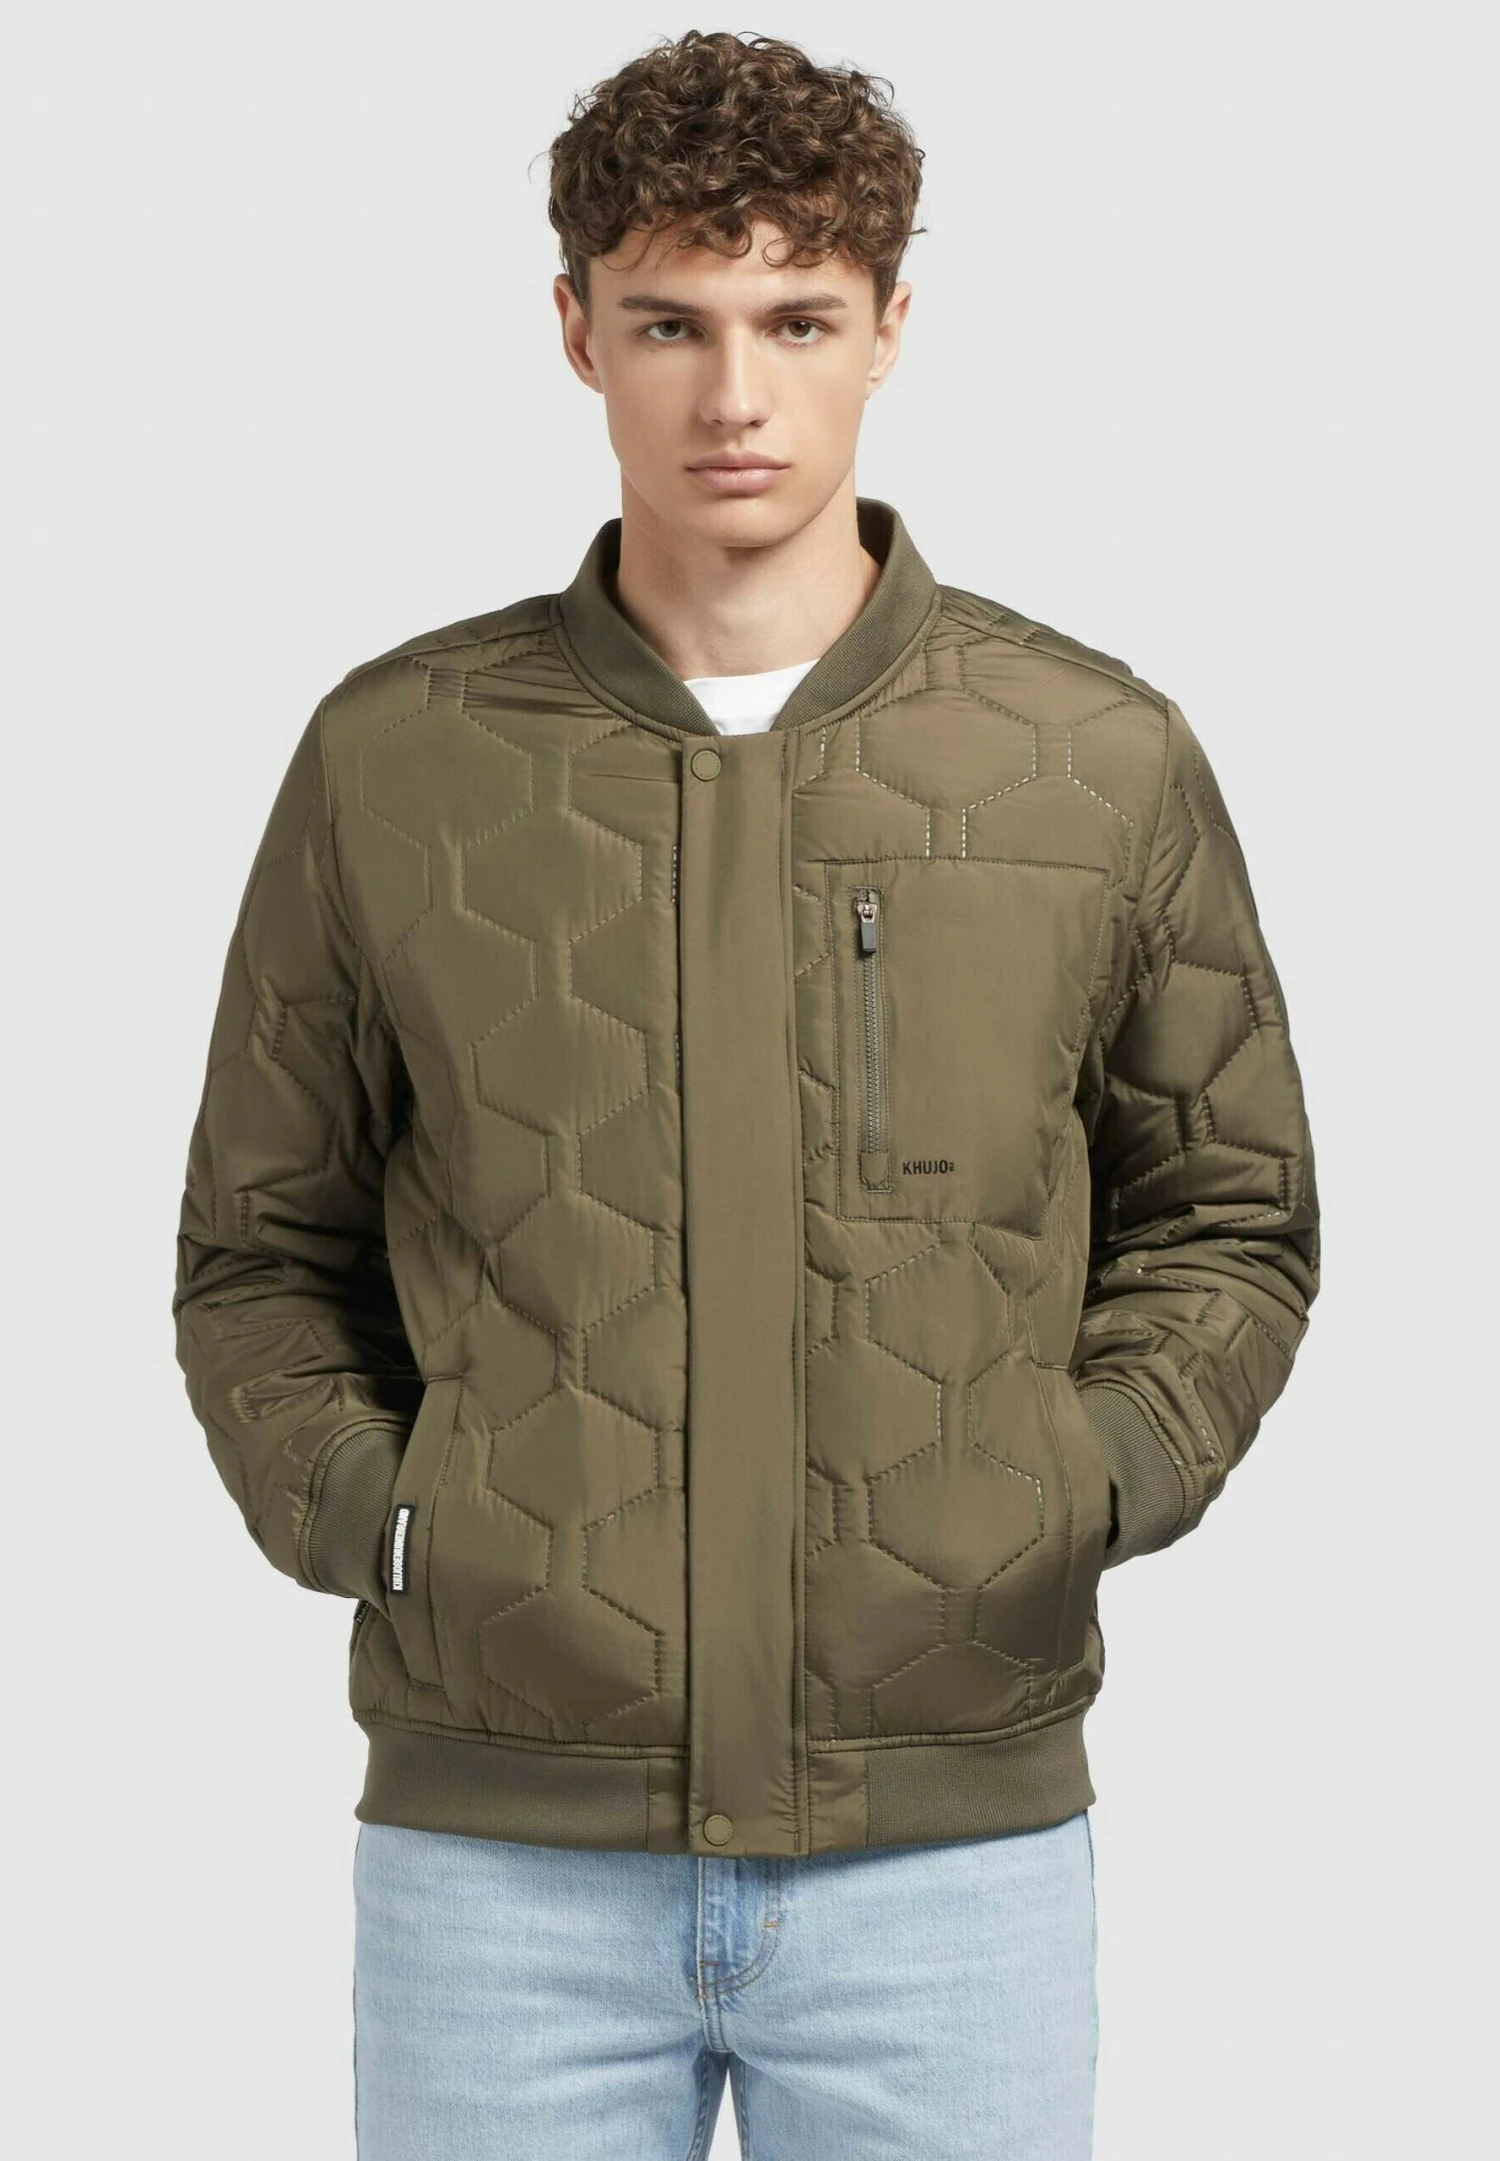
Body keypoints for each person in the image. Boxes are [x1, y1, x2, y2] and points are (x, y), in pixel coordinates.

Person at [171, 29, 1321, 2159]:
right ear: (574, 332)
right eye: (670, 323)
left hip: (950, 1861)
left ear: (891, 325)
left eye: (796, 318)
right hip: (499, 1867)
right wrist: (383, 1517)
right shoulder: (396, 758)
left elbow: (1229, 1215)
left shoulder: (1093, 757)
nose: (734, 394)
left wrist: (1072, 1487)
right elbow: (258, 1247)